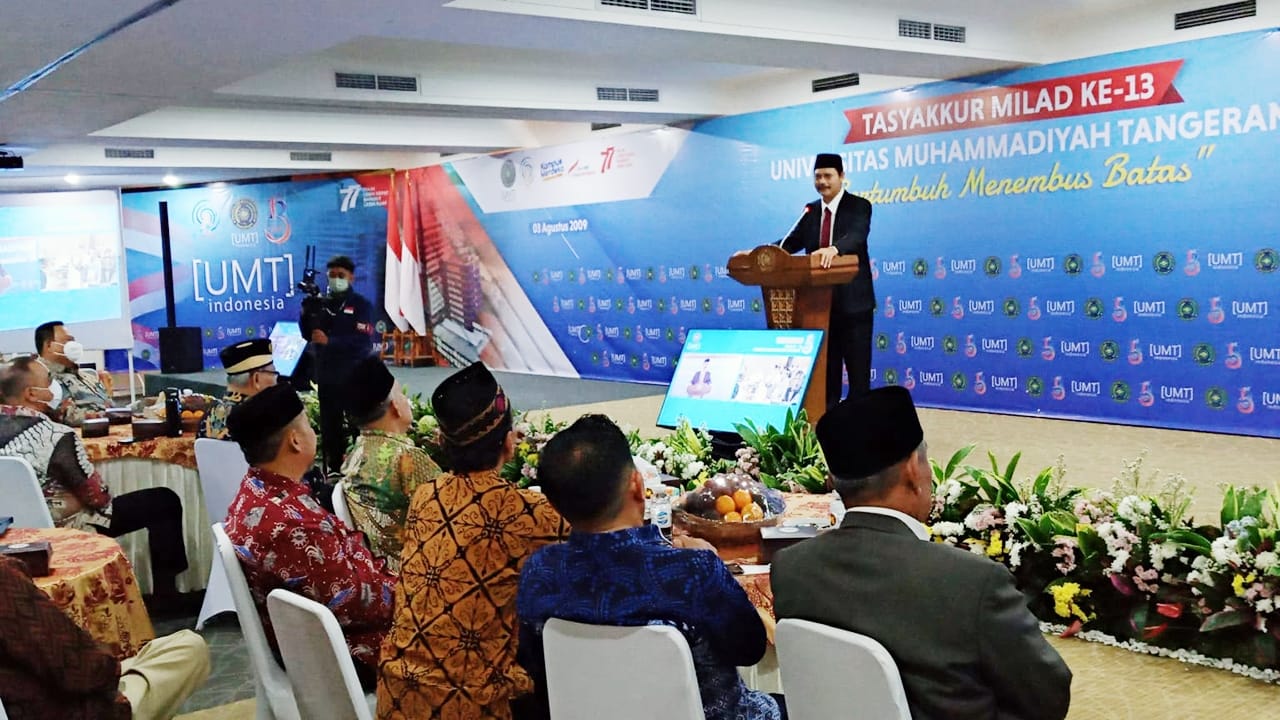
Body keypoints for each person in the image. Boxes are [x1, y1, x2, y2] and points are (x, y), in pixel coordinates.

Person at [770, 387, 1072, 720]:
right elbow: (1049, 696)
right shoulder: (973, 582)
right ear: (914, 469)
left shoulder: (791, 567)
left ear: (833, 481)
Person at [517, 415, 782, 720]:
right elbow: (750, 649)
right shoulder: (693, 571)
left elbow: (536, 667)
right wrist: (714, 565)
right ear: (637, 484)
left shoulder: (541, 572)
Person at [377, 362, 567, 720]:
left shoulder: (425, 495)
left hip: (396, 698)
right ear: (509, 442)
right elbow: (598, 526)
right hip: (471, 707)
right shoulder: (524, 512)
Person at [222, 384, 396, 687]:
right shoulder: (293, 526)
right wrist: (416, 593)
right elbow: (358, 605)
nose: (313, 432)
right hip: (347, 655)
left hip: (316, 643)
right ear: (294, 440)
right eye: (308, 425)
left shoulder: (256, 490)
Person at [0, 356, 191, 604]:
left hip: (8, 532)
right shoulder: (55, 436)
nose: (54, 386)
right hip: (63, 528)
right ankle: (167, 597)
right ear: (31, 394)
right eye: (48, 381)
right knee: (163, 501)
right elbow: (98, 498)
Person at [0, 556, 210, 720]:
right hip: (72, 709)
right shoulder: (4, 577)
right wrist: (105, 657)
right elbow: (84, 671)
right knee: (189, 646)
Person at [778, 153, 875, 404]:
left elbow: (857, 236)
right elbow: (791, 242)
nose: (822, 181)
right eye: (818, 176)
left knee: (858, 375)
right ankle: (829, 427)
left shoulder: (859, 206)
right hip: (820, 307)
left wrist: (835, 249)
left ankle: (860, 432)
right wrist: (761, 253)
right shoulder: (810, 211)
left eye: (828, 175)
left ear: (841, 177)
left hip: (854, 305)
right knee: (826, 375)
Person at [339, 355, 442, 572]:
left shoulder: (356, 452)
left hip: (380, 572)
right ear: (395, 405)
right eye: (401, 395)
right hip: (416, 579)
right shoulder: (406, 458)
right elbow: (454, 516)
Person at [302, 255, 376, 474]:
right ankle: (334, 468)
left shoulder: (361, 305)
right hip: (327, 373)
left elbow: (362, 342)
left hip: (354, 373)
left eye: (340, 275)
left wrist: (331, 342)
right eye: (331, 275)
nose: (335, 280)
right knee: (330, 425)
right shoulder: (321, 303)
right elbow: (309, 334)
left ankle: (362, 466)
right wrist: (307, 314)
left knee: (358, 423)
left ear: (351, 277)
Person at [34, 320, 113, 427]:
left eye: (73, 341)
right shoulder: (40, 378)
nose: (74, 346)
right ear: (49, 345)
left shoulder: (86, 376)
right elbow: (67, 417)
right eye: (67, 341)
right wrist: (113, 415)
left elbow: (111, 406)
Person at [199, 338, 279, 440]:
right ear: (256, 379)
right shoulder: (266, 418)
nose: (276, 381)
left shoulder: (208, 416)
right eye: (274, 374)